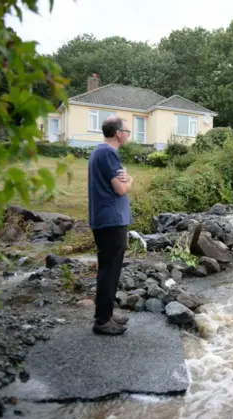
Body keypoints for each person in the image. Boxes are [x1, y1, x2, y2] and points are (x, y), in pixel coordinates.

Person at [88, 116, 134, 335]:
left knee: (111, 269)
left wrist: (126, 179)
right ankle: (102, 320)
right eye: (127, 130)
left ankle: (107, 313)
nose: (128, 134)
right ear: (118, 133)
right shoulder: (107, 153)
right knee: (108, 269)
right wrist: (131, 180)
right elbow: (121, 189)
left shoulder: (101, 152)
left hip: (107, 219)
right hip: (110, 220)